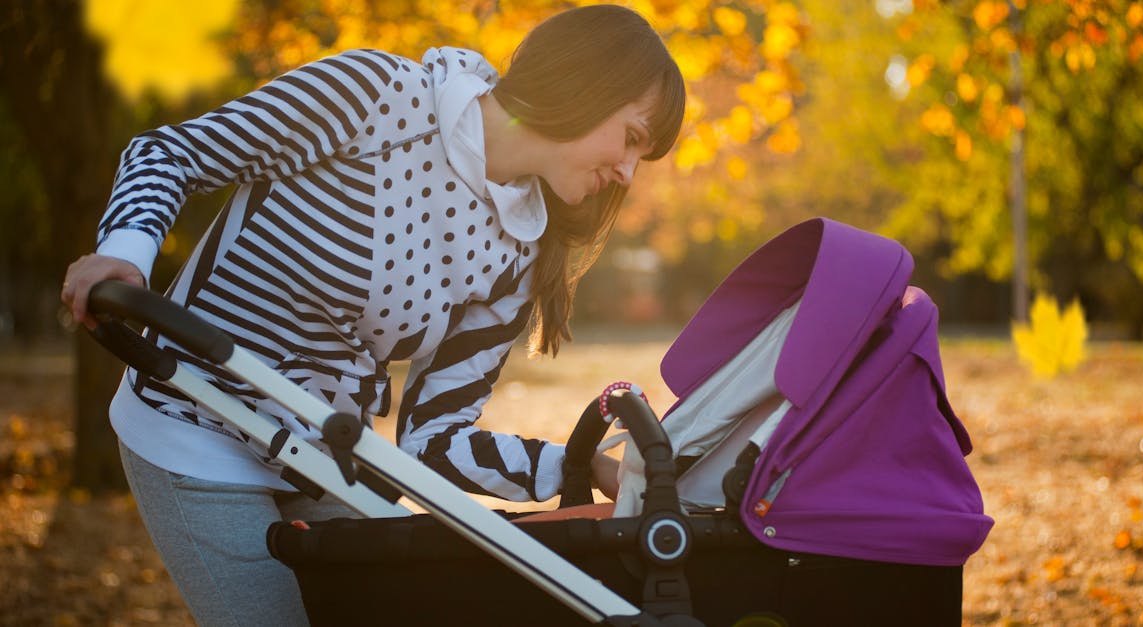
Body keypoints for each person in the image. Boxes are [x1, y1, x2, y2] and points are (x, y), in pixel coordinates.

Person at [60, 4, 685, 624]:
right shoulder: (374, 97)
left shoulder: (521, 252)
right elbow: (173, 154)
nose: (628, 172)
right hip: (196, 417)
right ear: (582, 84)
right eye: (631, 137)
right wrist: (125, 253)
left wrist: (582, 465)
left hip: (322, 452)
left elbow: (435, 440)